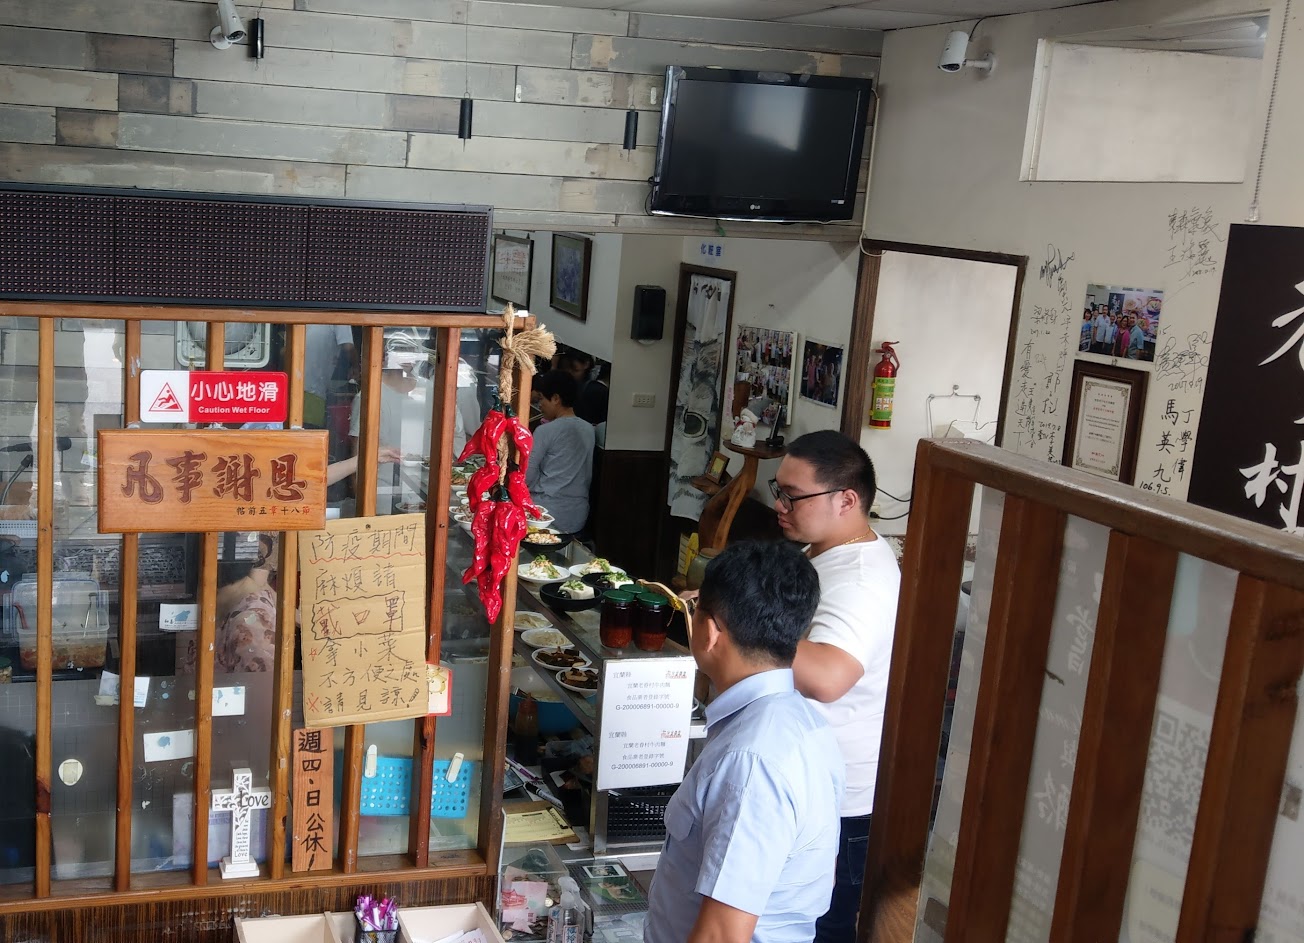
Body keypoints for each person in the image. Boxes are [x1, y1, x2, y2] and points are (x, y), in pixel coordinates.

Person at [645, 540, 844, 943]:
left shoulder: (752, 761)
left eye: (695, 609)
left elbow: (722, 935)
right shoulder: (804, 723)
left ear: (710, 632)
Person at [770, 430, 901, 943]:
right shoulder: (827, 551)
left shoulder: (860, 580)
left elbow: (827, 677)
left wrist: (742, 622)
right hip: (809, 780)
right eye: (778, 491)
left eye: (792, 496)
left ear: (846, 499)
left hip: (837, 802)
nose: (779, 506)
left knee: (819, 930)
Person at [526, 370, 594, 534]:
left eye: (542, 398)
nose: (540, 404)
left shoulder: (545, 431)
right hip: (578, 514)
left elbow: (527, 476)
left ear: (556, 398)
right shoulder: (589, 429)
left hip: (546, 512)